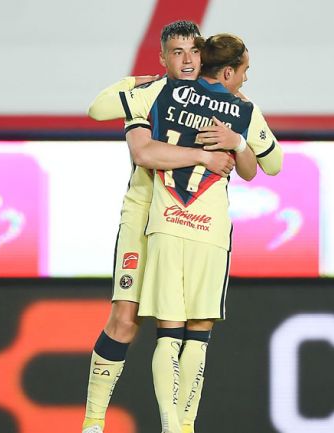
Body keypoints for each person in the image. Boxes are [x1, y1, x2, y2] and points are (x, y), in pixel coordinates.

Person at [90, 33, 283, 433]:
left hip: (169, 219)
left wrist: (235, 144)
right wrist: (137, 83)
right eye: (177, 52)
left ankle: (176, 426)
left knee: (172, 328)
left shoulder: (169, 97)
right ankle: (100, 423)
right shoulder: (167, 92)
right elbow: (140, 151)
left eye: (194, 51)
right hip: (155, 216)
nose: (187, 59)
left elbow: (249, 168)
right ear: (163, 57)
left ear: (204, 57)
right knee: (132, 322)